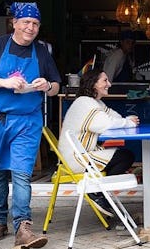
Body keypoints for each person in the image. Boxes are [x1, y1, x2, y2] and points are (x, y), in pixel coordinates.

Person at [0, 1, 61, 249]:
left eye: (35, 24)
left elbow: (56, 88)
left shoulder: (42, 52)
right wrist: (4, 83)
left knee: (21, 173)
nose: (31, 28)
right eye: (26, 23)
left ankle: (23, 227)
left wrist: (46, 86)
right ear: (15, 24)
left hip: (27, 121)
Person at [58, 68, 139, 216]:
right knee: (125, 156)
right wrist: (127, 122)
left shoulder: (94, 102)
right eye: (105, 81)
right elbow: (105, 125)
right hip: (76, 158)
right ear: (94, 84)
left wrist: (125, 121)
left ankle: (101, 194)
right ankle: (98, 193)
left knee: (124, 155)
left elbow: (114, 117)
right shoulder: (85, 103)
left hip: (81, 153)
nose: (109, 84)